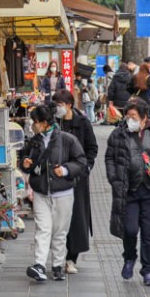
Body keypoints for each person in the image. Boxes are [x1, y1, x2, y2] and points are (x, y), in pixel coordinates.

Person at [105, 99, 150, 287]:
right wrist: (114, 178)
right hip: (128, 190)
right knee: (129, 229)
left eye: (134, 117)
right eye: (128, 116)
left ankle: (149, 270)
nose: (130, 120)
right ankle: (129, 258)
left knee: (149, 232)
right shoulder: (118, 135)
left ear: (145, 118)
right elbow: (110, 158)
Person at [20, 104, 88, 283]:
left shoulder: (67, 139)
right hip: (41, 192)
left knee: (59, 231)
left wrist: (65, 170)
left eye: (34, 122)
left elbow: (81, 162)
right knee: (43, 229)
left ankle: (57, 265)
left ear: (43, 123)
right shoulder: (34, 141)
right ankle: (39, 265)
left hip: (63, 192)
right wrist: (25, 163)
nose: (32, 125)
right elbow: (24, 160)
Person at [52, 90, 98, 274]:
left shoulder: (82, 123)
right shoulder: (54, 122)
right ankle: (58, 257)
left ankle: (72, 258)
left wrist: (85, 168)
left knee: (77, 217)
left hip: (77, 177)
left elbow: (92, 148)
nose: (57, 108)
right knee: (57, 218)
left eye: (60, 104)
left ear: (69, 104)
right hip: (56, 177)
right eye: (55, 105)